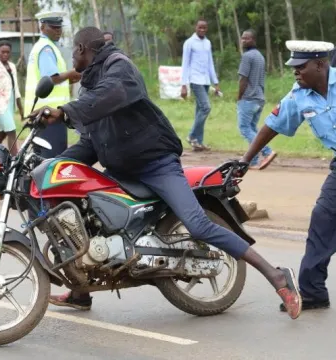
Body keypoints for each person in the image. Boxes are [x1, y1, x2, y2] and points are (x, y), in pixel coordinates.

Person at [31, 26, 302, 320]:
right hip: (122, 170)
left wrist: (64, 111)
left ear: (83, 49)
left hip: (156, 165)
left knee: (198, 225)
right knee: (78, 211)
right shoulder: (90, 87)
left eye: (74, 51)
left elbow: (115, 94)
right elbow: (90, 144)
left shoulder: (119, 67)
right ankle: (81, 291)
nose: (72, 58)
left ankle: (277, 276)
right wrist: (52, 166)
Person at [240, 40, 336, 311]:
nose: (295, 72)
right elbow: (272, 125)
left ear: (320, 64)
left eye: (300, 67)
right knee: (323, 219)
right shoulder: (299, 96)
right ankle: (313, 292)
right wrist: (246, 160)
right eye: (293, 67)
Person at [24, 10, 81, 158]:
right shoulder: (46, 48)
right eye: (53, 27)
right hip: (48, 115)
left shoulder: (46, 46)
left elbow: (54, 79)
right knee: (51, 161)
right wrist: (71, 73)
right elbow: (52, 78)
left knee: (42, 159)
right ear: (42, 27)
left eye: (60, 27)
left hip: (46, 114)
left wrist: (68, 78)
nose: (58, 31)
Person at [237, 30, 276, 170]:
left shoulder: (247, 56)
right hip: (259, 98)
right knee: (252, 128)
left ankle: (267, 151)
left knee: (244, 128)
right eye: (242, 38)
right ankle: (252, 161)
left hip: (248, 97)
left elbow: (243, 78)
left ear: (253, 40)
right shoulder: (260, 56)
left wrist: (239, 97)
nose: (243, 41)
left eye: (246, 38)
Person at [181, 19, 221, 152]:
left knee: (200, 111)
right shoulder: (189, 43)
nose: (202, 30)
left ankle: (198, 142)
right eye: (200, 28)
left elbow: (210, 63)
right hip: (195, 80)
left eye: (204, 28)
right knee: (206, 107)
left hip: (205, 81)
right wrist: (184, 85)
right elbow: (185, 64)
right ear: (195, 27)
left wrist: (216, 82)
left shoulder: (207, 43)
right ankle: (192, 135)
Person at [0, 40, 23, 156]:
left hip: (10, 104)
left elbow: (15, 88)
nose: (5, 54)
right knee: (11, 131)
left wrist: (21, 109)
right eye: (3, 52)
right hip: (0, 106)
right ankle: (15, 160)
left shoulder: (12, 66)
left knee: (2, 134)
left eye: (8, 52)